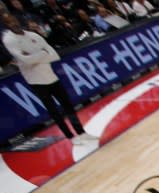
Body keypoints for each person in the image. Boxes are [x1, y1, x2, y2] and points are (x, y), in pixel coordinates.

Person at [1, 12, 96, 145]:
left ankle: (81, 132)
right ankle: (71, 137)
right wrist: (42, 54)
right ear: (6, 24)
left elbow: (54, 55)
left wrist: (35, 56)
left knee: (68, 107)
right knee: (54, 111)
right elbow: (25, 60)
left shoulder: (32, 35)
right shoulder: (9, 40)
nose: (13, 23)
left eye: (14, 20)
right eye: (9, 22)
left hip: (51, 75)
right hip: (36, 80)